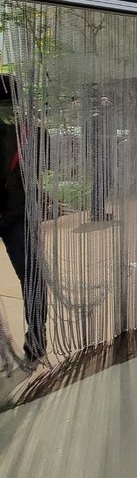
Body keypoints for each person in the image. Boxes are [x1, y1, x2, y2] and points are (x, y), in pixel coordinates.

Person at [0, 74, 47, 364]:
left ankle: (34, 340)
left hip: (17, 212)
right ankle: (37, 339)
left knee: (32, 277)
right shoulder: (29, 130)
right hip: (19, 212)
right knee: (32, 278)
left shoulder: (29, 130)